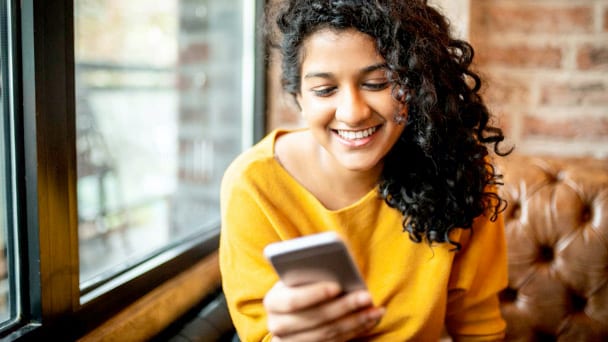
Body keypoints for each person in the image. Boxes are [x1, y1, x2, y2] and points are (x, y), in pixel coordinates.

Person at [219, 0, 512, 340]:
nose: (353, 113)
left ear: (415, 85)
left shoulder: (458, 170)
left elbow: (480, 328)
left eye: (377, 83)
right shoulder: (254, 185)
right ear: (299, 97)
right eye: (324, 90)